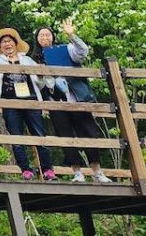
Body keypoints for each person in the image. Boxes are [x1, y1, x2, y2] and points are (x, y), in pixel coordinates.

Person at [0, 22, 55, 180]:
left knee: (40, 135)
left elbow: (41, 82)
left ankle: (48, 170)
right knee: (16, 138)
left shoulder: (28, 61)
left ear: (16, 44)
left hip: (31, 101)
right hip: (9, 104)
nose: (7, 44)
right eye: (3, 42)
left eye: (10, 41)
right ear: (0, 47)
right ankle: (26, 169)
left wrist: (40, 74)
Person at [34, 19, 111, 183]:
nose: (45, 38)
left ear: (53, 37)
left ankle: (97, 171)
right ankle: (77, 172)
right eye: (41, 35)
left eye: (48, 34)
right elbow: (38, 83)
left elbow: (83, 51)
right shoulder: (35, 59)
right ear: (37, 39)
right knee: (65, 136)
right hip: (55, 102)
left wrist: (71, 35)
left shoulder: (66, 49)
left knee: (88, 132)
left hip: (76, 98)